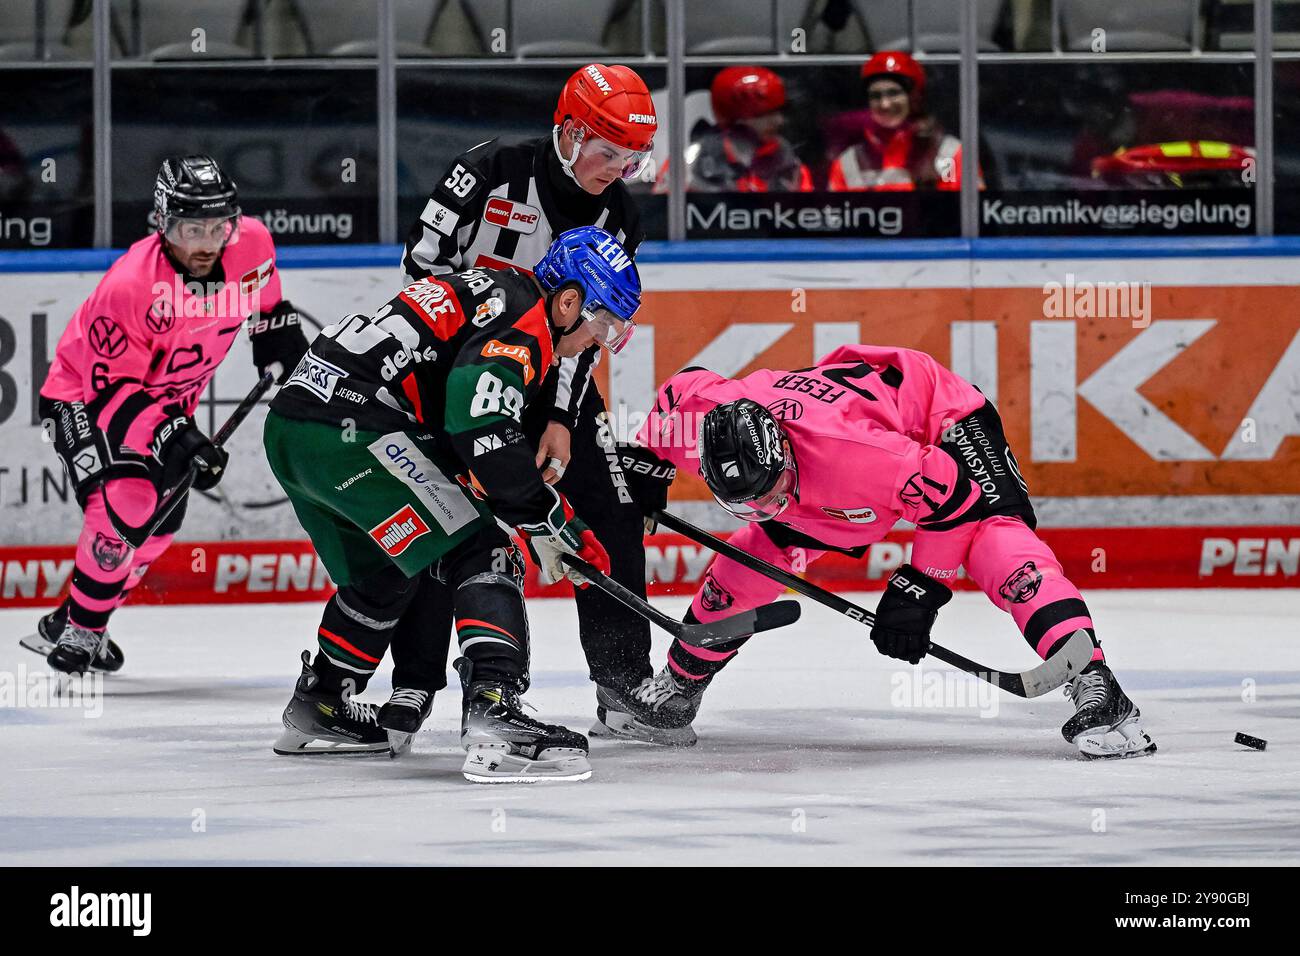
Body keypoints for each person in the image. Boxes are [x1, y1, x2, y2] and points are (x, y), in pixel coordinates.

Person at [614, 344, 1156, 760]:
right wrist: (645, 464)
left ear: (782, 453)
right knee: (749, 559)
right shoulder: (702, 420)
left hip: (940, 423)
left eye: (774, 492)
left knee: (998, 545)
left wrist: (920, 591)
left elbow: (954, 500)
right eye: (751, 502)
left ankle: (1098, 685)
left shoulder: (862, 460)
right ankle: (680, 690)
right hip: (839, 454)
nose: (771, 506)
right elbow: (681, 387)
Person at [266, 226, 641, 783]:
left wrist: (545, 511)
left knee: (387, 574)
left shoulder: (495, 290)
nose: (598, 340)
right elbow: (482, 426)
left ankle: (321, 702)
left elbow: (456, 430)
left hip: (296, 429)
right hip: (356, 430)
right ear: (568, 301)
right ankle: (495, 708)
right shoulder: (526, 322)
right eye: (602, 322)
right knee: (486, 551)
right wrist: (546, 517)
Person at [394, 63, 662, 744]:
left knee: (611, 509)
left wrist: (562, 419)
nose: (617, 170)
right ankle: (412, 684)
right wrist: (464, 377)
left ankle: (623, 679)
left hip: (554, 369)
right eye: (608, 151)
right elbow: (421, 269)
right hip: (452, 366)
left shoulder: (621, 211)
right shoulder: (487, 173)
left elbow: (589, 330)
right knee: (441, 517)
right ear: (569, 132)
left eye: (633, 160)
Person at [22, 155, 307, 675]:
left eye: (217, 227)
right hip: (83, 396)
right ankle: (83, 629)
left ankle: (80, 612)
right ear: (162, 223)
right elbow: (114, 396)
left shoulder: (253, 244)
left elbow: (270, 310)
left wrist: (280, 343)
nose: (205, 243)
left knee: (158, 526)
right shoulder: (130, 286)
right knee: (130, 500)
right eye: (189, 228)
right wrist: (177, 437)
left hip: (167, 406)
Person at [828, 51, 967, 192]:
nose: (885, 104)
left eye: (894, 93)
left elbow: (966, 209)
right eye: (875, 96)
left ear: (914, 97)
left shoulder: (949, 154)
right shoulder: (848, 162)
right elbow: (833, 211)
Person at [674, 65, 812, 193]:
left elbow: (806, 210)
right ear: (735, 119)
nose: (779, 121)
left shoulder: (785, 160)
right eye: (764, 114)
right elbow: (664, 209)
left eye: (778, 112)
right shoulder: (694, 162)